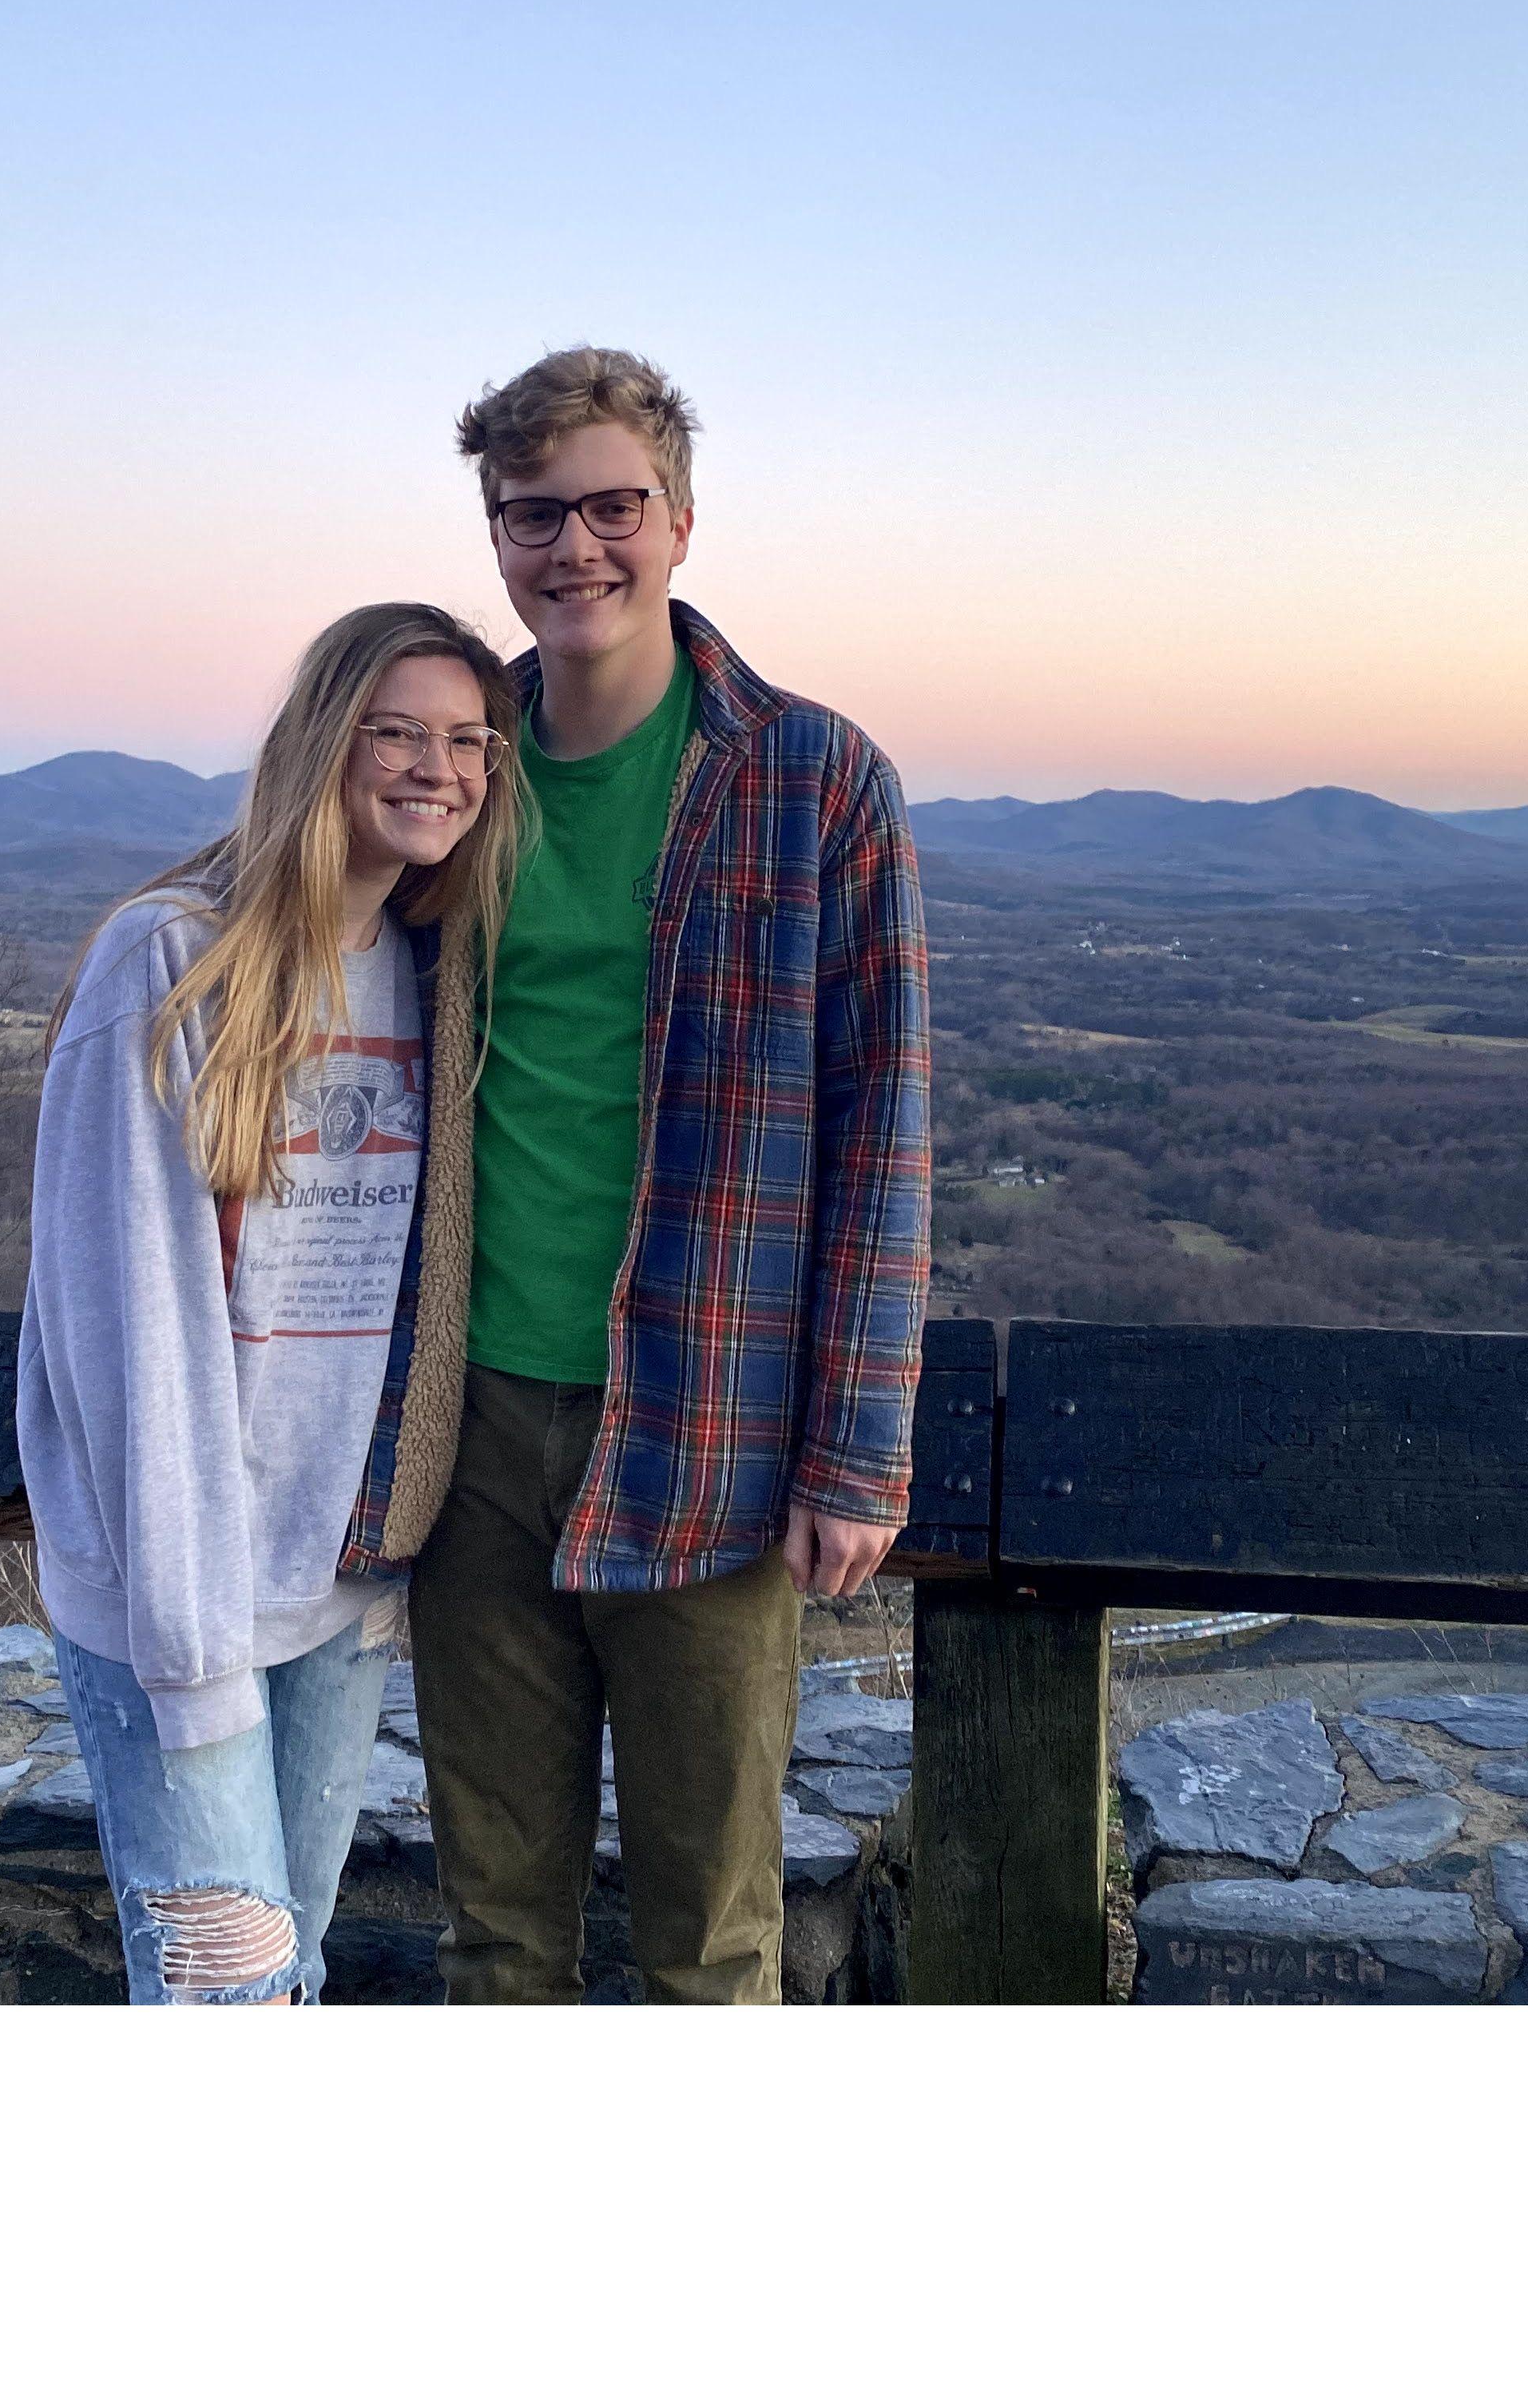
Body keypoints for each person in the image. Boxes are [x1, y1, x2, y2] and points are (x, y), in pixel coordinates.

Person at [404, 346, 933, 2003]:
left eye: (610, 506)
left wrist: (857, 1451)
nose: (575, 549)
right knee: (499, 1934)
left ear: (681, 522)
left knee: (710, 1941)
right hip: (467, 1426)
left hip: (711, 1427)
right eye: (531, 514)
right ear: (494, 535)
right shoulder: (448, 771)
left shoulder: (816, 783)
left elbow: (880, 1131)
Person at [15, 602, 526, 2004]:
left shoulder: (435, 972)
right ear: (324, 742)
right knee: (220, 1994)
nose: (441, 768)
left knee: (288, 1972)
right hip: (188, 1602)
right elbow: (128, 1343)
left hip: (346, 1580)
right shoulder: (174, 960)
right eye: (400, 733)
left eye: (471, 741)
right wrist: (191, 1662)